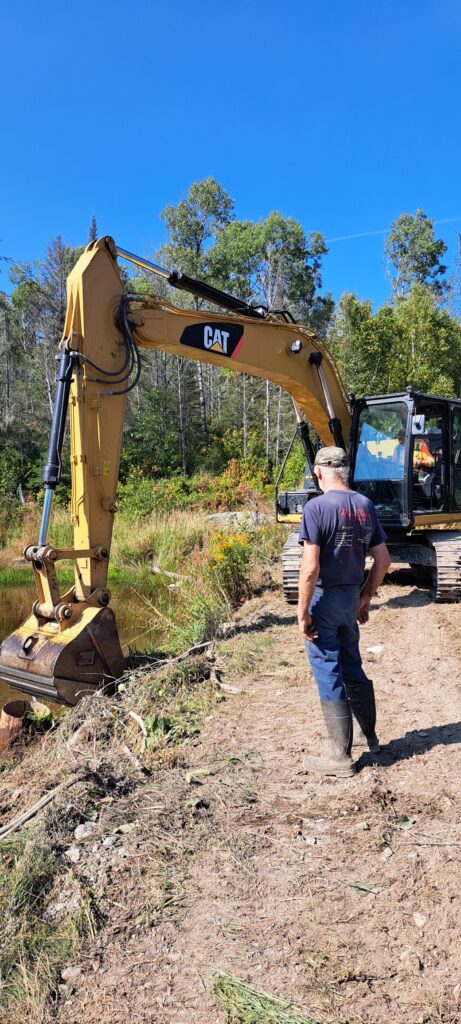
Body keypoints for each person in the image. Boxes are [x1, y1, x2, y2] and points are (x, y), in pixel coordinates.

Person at [297, 446, 391, 778]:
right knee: (352, 664)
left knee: (328, 670)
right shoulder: (365, 505)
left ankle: (340, 757)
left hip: (325, 599)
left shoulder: (316, 508)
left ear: (319, 472)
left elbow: (310, 569)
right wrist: (365, 596)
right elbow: (384, 560)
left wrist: (302, 612)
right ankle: (370, 737)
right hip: (350, 598)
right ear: (346, 472)